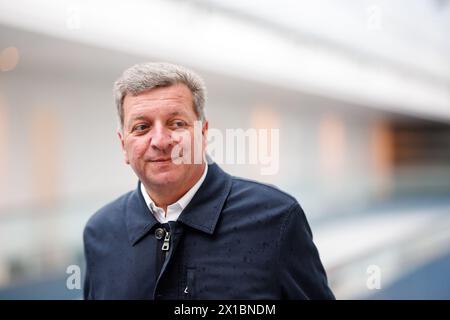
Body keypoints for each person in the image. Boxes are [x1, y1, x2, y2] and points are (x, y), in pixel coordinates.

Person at [83, 62, 335, 300]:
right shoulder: (101, 233)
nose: (160, 141)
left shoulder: (275, 218)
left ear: (203, 134)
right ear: (123, 145)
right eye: (141, 127)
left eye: (177, 123)